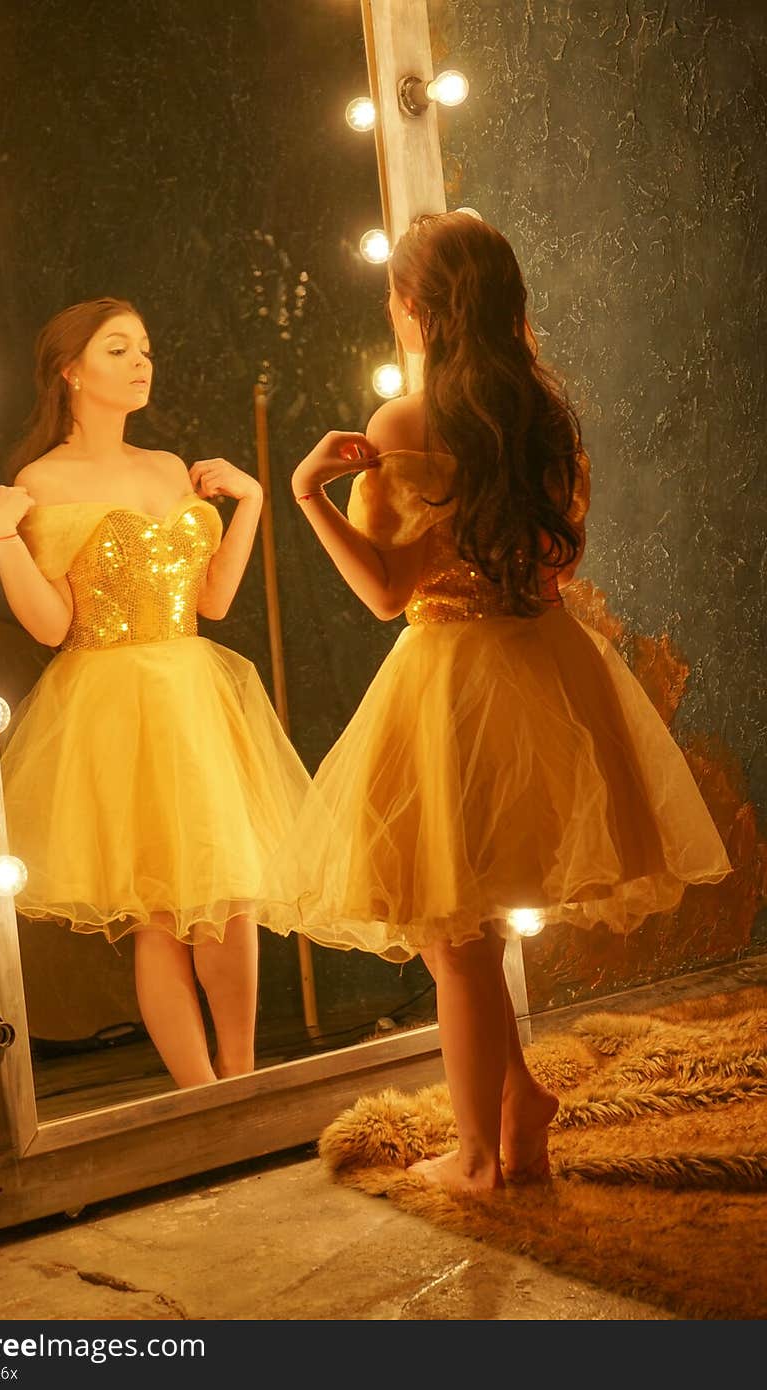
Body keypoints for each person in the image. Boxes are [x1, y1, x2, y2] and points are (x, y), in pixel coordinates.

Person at [257, 213, 732, 1194]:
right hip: (549, 662)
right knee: (462, 927)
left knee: (453, 932)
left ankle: (478, 1155)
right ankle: (516, 1111)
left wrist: (306, 492)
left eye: (397, 297)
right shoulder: (542, 418)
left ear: (417, 308)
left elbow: (387, 592)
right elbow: (557, 553)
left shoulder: (405, 424)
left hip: (453, 679)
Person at [0, 297, 311, 1091]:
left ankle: (242, 1081)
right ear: (71, 370)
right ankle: (201, 1100)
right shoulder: (44, 479)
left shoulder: (167, 468)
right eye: (119, 350)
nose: (141, 364)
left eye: (146, 351)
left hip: (194, 691)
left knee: (228, 898)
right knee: (161, 916)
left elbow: (215, 603)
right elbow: (52, 624)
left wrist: (253, 503)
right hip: (113, 701)